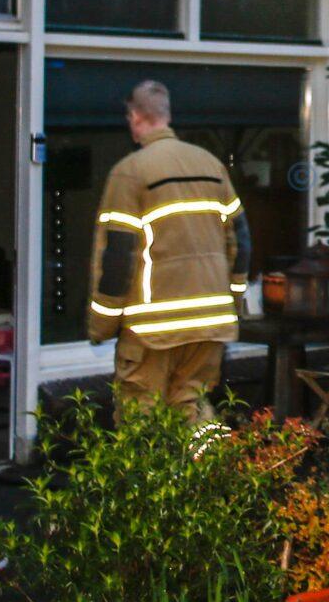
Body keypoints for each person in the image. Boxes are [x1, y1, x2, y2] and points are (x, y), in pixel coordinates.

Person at [86, 80, 250, 421]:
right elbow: (241, 242)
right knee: (192, 409)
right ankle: (211, 471)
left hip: (153, 328)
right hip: (210, 323)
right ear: (167, 115)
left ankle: (150, 477)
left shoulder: (130, 173)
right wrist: (233, 302)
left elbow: (117, 255)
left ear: (134, 117)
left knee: (140, 419)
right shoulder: (212, 166)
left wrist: (102, 323)